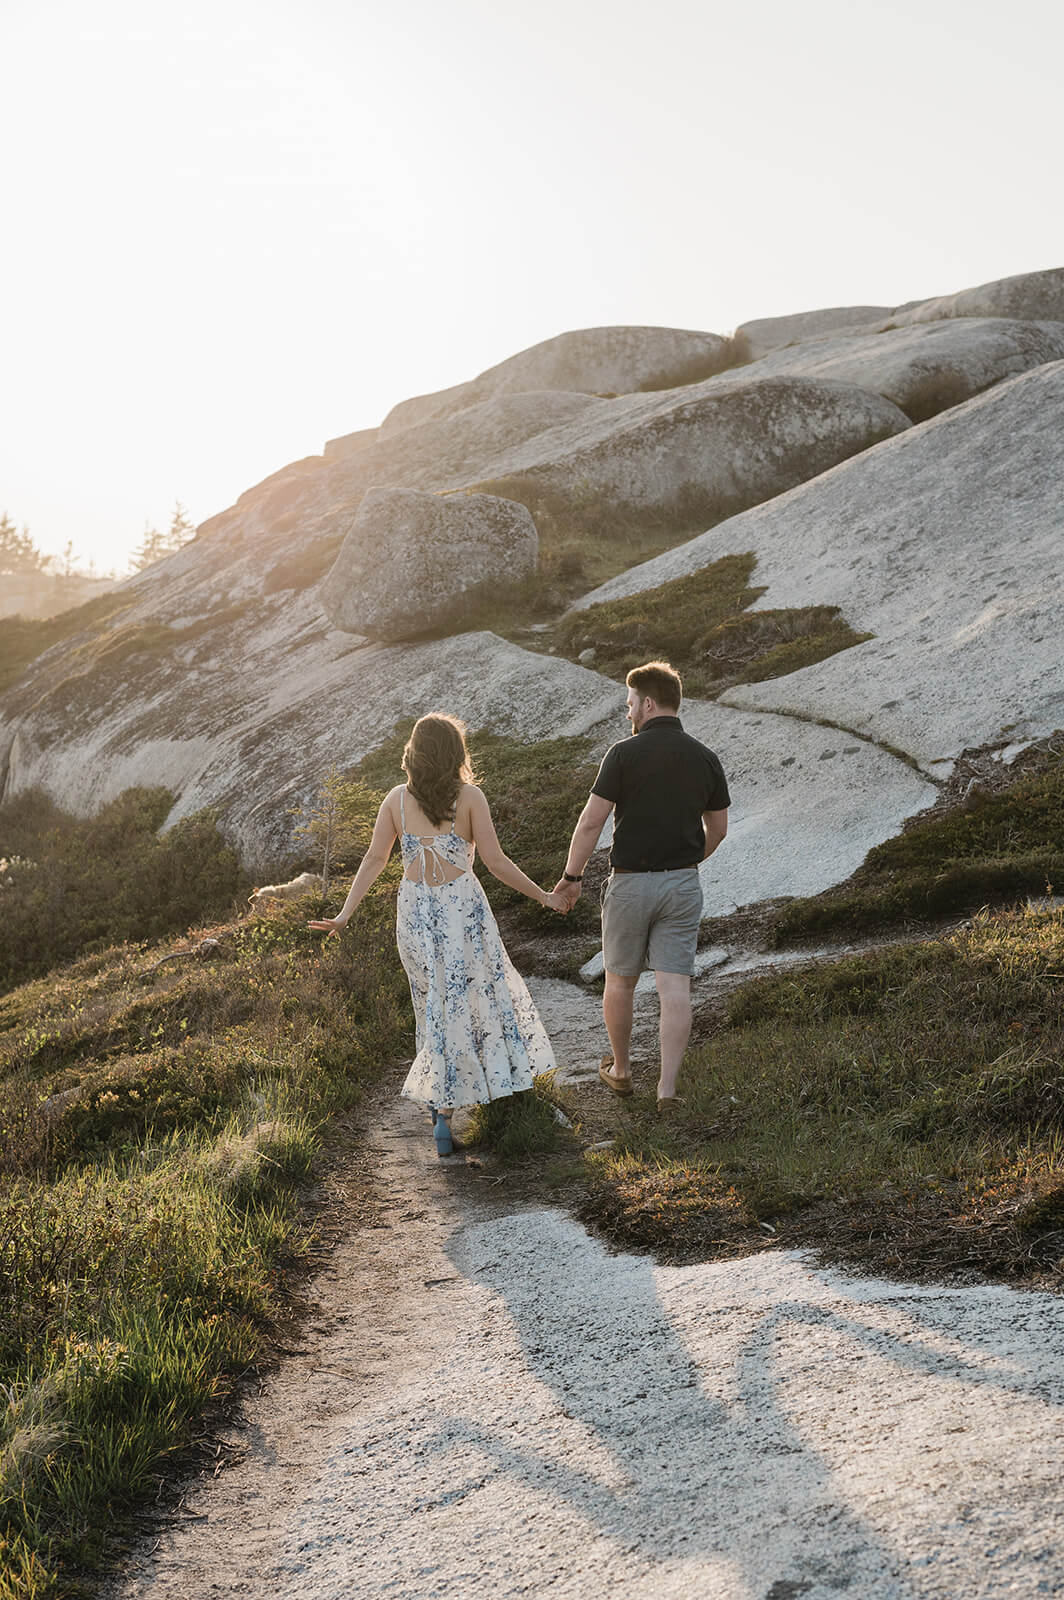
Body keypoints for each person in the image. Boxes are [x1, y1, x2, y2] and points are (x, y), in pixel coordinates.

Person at [309, 713, 567, 1156]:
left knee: (432, 1005)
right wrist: (544, 897)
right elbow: (496, 862)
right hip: (460, 910)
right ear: (456, 753)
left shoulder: (395, 799)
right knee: (471, 1000)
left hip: (414, 913)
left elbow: (373, 860)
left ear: (415, 752)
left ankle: (439, 1103)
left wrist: (344, 915)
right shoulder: (470, 798)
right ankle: (463, 1103)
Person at [554, 661, 729, 1114]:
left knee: (621, 981)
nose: (628, 713)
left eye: (630, 704)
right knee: (675, 987)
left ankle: (623, 1071)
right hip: (683, 886)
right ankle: (667, 1091)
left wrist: (571, 878)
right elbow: (720, 828)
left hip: (630, 885)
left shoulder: (622, 754)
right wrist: (687, 863)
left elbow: (592, 820)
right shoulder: (705, 756)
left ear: (648, 703)